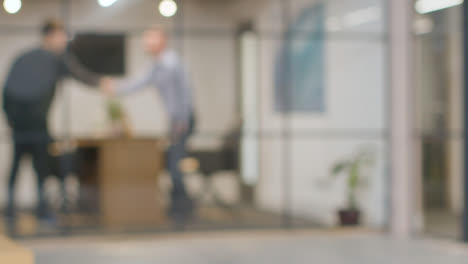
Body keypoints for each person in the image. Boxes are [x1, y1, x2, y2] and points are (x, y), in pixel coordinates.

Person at [2, 19, 111, 221]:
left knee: (32, 166)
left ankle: (23, 210)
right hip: (31, 124)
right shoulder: (51, 59)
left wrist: (11, 119)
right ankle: (32, 211)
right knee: (36, 167)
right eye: (61, 36)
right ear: (50, 36)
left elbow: (6, 92)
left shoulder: (29, 58)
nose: (64, 41)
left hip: (24, 125)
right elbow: (78, 74)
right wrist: (100, 82)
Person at [104, 26, 195, 221]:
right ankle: (180, 208)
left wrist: (181, 121)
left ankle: (182, 210)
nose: (146, 44)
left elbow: (185, 93)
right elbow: (139, 82)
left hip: (181, 120)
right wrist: (116, 88)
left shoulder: (171, 63)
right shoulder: (158, 65)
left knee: (174, 165)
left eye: (150, 39)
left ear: (162, 40)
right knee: (172, 163)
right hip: (175, 120)